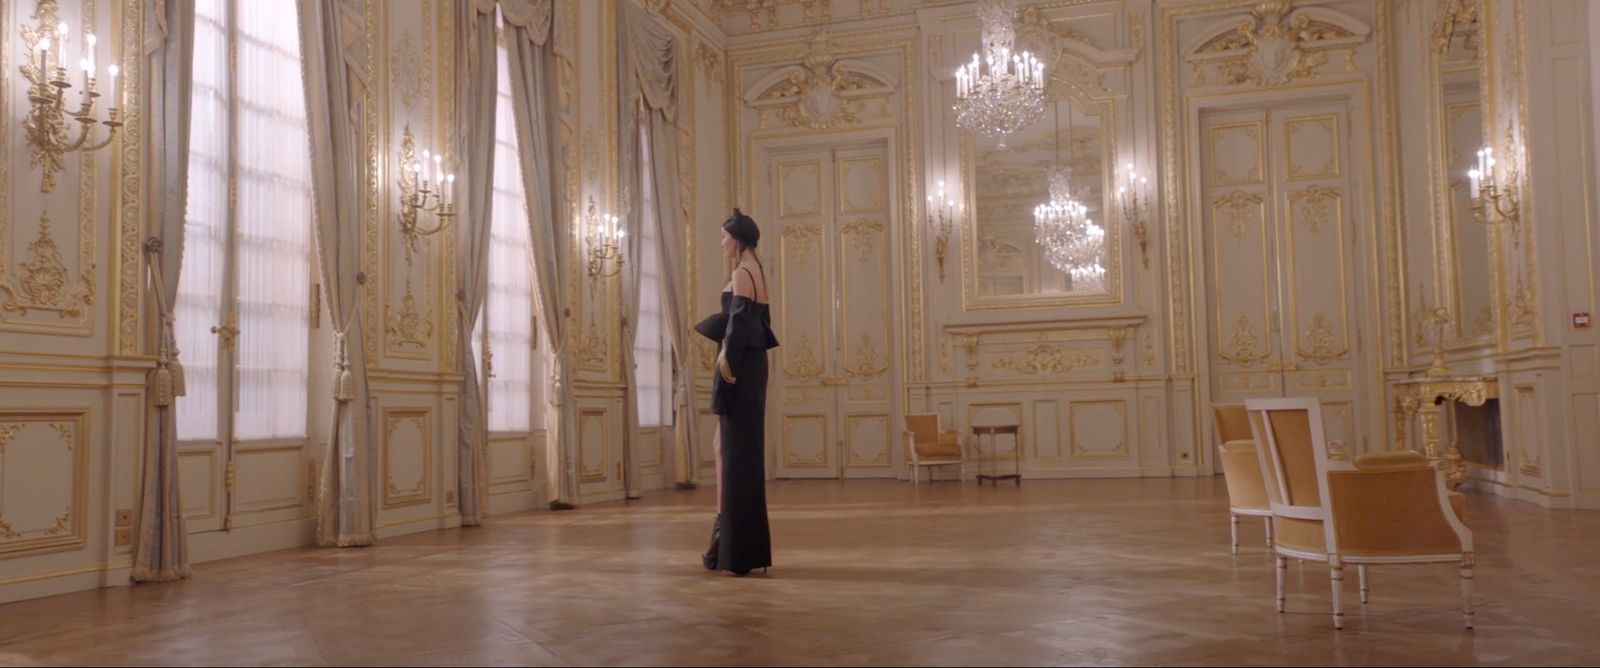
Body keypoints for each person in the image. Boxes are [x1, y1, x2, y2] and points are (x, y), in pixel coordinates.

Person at [694, 208, 779, 576]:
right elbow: (757, 325)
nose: (721, 241)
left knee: (733, 453)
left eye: (725, 236)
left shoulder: (742, 273)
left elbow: (737, 335)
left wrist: (722, 380)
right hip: (751, 368)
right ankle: (724, 542)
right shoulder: (756, 269)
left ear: (738, 238)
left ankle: (734, 549)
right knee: (727, 449)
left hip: (739, 371)